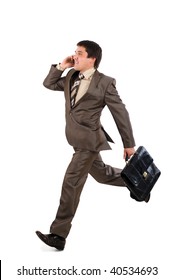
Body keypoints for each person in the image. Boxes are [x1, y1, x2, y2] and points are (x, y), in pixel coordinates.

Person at [36, 40, 139, 251]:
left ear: (92, 59)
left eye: (79, 53)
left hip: (89, 142)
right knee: (102, 174)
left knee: (71, 182)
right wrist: (62, 66)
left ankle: (58, 235)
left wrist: (129, 144)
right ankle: (138, 182)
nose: (75, 56)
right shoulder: (70, 78)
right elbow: (48, 84)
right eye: (74, 52)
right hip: (76, 140)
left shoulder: (105, 82)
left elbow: (120, 113)